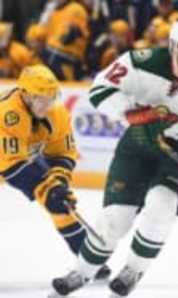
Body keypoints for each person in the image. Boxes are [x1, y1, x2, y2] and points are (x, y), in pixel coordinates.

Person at [50, 16, 178, 297]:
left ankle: (133, 270)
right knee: (114, 219)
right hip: (137, 141)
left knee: (161, 206)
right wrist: (132, 115)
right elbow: (100, 90)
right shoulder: (140, 62)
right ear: (173, 46)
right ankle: (80, 272)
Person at [0, 64, 110, 278]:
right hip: (7, 160)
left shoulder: (57, 114)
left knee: (60, 200)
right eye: (40, 98)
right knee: (50, 192)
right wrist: (49, 188)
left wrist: (57, 181)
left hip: (18, 159)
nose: (47, 104)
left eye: (51, 97)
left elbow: (63, 154)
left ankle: (88, 259)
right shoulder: (7, 114)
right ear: (25, 94)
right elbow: (10, 166)